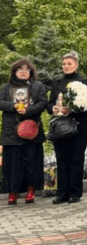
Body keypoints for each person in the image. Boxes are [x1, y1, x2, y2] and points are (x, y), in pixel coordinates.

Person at [48, 51, 87, 204]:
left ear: (77, 65)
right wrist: (53, 108)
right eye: (64, 64)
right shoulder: (57, 82)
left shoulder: (84, 82)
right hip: (61, 126)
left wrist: (73, 109)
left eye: (70, 63)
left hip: (78, 125)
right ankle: (62, 193)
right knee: (62, 159)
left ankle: (75, 193)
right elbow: (49, 103)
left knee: (76, 159)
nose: (66, 66)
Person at [1, 59, 48, 204]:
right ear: (14, 72)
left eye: (26, 69)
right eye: (20, 69)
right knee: (12, 163)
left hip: (31, 129)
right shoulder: (6, 87)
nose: (23, 71)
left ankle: (31, 189)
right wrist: (14, 106)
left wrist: (28, 110)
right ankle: (12, 192)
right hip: (11, 131)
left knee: (32, 162)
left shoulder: (37, 86)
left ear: (31, 72)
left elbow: (43, 102)